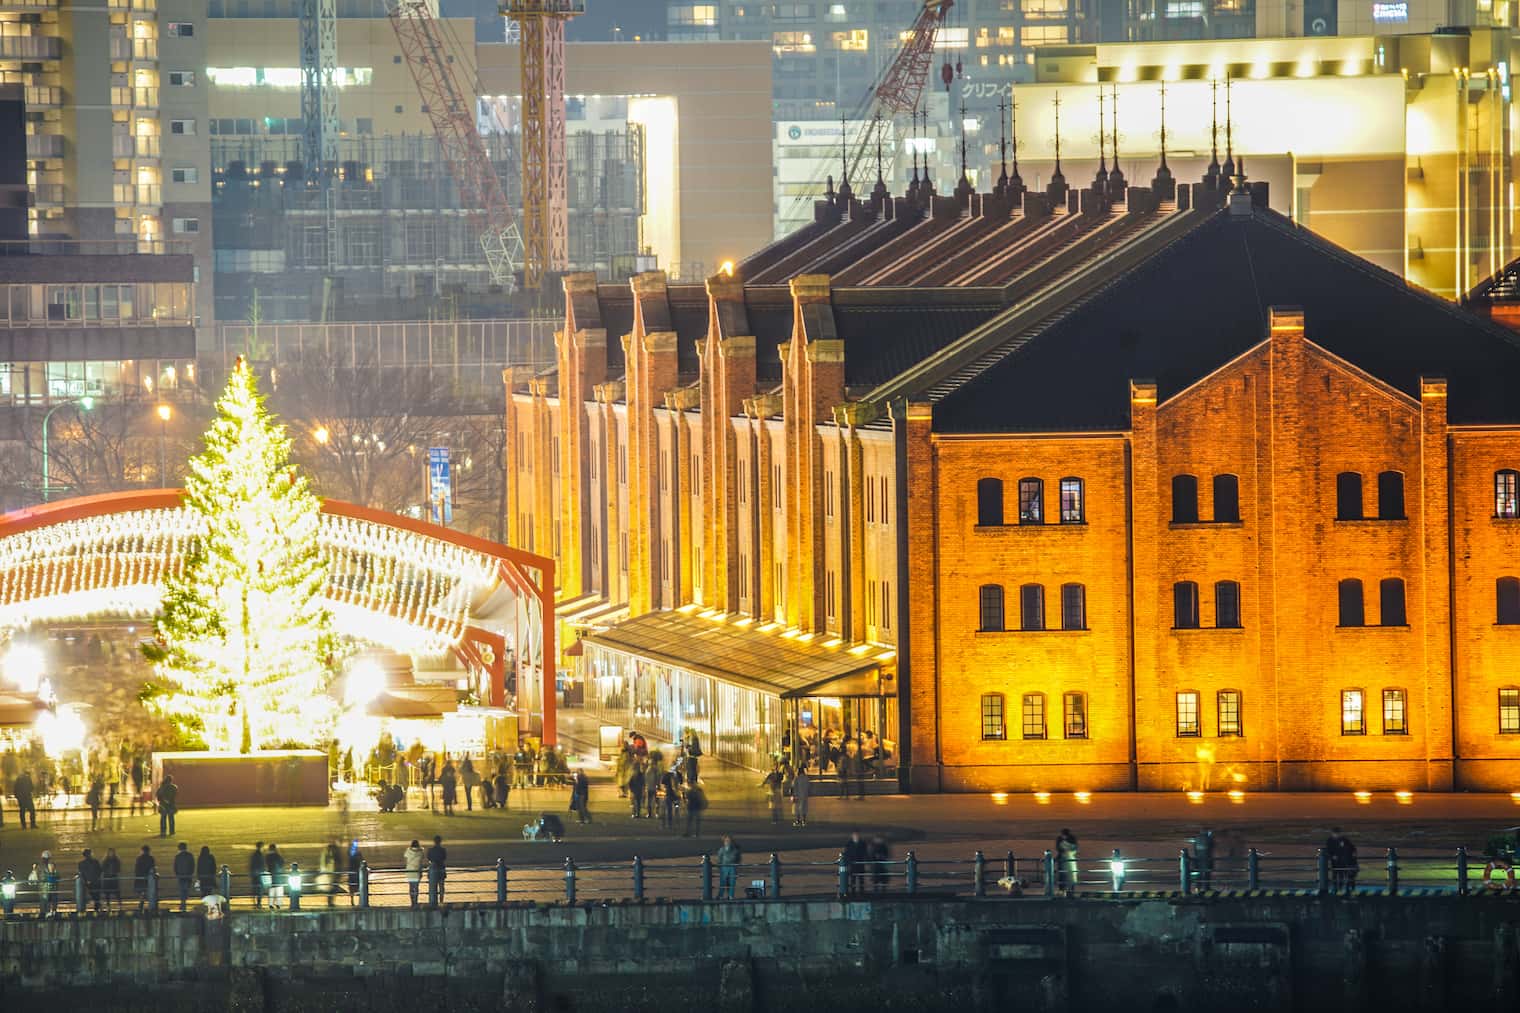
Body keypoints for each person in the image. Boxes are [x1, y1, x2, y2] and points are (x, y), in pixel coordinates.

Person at [1326, 827, 1359, 895]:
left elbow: (1352, 847)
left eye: (1338, 833)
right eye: (1335, 833)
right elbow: (1328, 850)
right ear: (1332, 834)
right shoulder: (1329, 840)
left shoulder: (1344, 839)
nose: (1337, 835)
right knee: (1335, 875)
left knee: (1345, 874)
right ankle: (1335, 888)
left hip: (1344, 861)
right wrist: (1332, 856)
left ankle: (1344, 888)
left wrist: (1354, 852)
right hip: (1335, 861)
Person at [716, 835, 742, 900]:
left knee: (732, 882)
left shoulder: (735, 850)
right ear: (724, 842)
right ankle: (720, 895)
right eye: (726, 841)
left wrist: (737, 865)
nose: (728, 842)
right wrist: (719, 866)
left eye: (729, 841)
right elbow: (719, 858)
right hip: (724, 867)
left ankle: (731, 896)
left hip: (733, 867)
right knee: (723, 882)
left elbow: (739, 858)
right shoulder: (722, 849)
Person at [843, 832, 869, 896]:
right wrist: (848, 861)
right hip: (852, 864)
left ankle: (862, 892)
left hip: (860, 863)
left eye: (857, 835)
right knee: (853, 879)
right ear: (852, 836)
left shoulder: (862, 843)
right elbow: (846, 853)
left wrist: (866, 860)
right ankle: (853, 892)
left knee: (861, 878)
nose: (856, 836)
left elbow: (865, 853)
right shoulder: (849, 843)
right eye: (855, 835)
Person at [77, 848, 103, 913]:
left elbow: (99, 871)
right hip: (91, 882)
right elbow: (82, 873)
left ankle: (97, 907)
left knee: (96, 895)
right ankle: (97, 907)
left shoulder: (94, 862)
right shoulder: (83, 863)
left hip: (93, 881)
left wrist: (89, 880)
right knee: (95, 895)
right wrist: (87, 880)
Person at [1055, 829, 1079, 897]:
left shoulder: (1061, 839)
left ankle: (1067, 890)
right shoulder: (1068, 839)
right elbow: (1075, 848)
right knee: (1065, 875)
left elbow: (1058, 848)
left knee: (1067, 875)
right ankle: (1066, 890)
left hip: (1066, 859)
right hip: (1066, 859)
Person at [426, 834, 447, 907]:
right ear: (440, 841)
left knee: (433, 887)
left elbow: (428, 858)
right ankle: (441, 901)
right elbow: (444, 858)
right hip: (441, 868)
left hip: (433, 868)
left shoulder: (430, 850)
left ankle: (433, 902)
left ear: (434, 841)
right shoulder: (443, 850)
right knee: (441, 887)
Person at [404, 839, 426, 909]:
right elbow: (422, 861)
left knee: (411, 887)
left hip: (409, 871)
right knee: (416, 887)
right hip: (417, 871)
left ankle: (412, 902)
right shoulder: (421, 851)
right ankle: (415, 902)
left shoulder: (408, 850)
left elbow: (406, 860)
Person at [133, 845, 155, 913]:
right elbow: (152, 867)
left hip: (140, 877)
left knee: (142, 892)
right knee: (148, 892)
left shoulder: (139, 858)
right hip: (148, 877)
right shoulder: (150, 858)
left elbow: (136, 869)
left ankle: (141, 904)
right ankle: (150, 906)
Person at [101, 847, 122, 911]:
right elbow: (103, 868)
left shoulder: (115, 860)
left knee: (116, 891)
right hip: (108, 877)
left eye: (112, 852)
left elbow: (118, 868)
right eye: (110, 852)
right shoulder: (106, 860)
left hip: (112, 877)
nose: (111, 853)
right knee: (107, 892)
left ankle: (119, 903)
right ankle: (108, 904)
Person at [319, 842, 340, 906]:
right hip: (331, 873)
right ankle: (330, 901)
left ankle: (330, 901)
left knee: (332, 888)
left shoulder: (327, 853)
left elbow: (323, 862)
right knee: (331, 888)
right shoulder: (331, 853)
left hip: (332, 873)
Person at [265, 844, 285, 910]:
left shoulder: (267, 856)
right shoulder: (278, 856)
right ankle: (278, 904)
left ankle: (270, 904)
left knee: (271, 890)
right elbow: (282, 863)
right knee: (279, 890)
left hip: (271, 874)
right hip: (278, 874)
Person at [38, 850, 58, 916]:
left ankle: (46, 914)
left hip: (46, 888)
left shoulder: (41, 866)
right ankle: (47, 913)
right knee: (48, 902)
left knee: (47, 902)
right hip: (47, 888)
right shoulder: (42, 867)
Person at [249, 841, 266, 909]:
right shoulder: (260, 855)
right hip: (259, 874)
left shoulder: (254, 855)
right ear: (261, 847)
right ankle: (258, 904)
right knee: (259, 890)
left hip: (254, 874)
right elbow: (261, 865)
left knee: (255, 889)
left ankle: (255, 904)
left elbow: (252, 865)